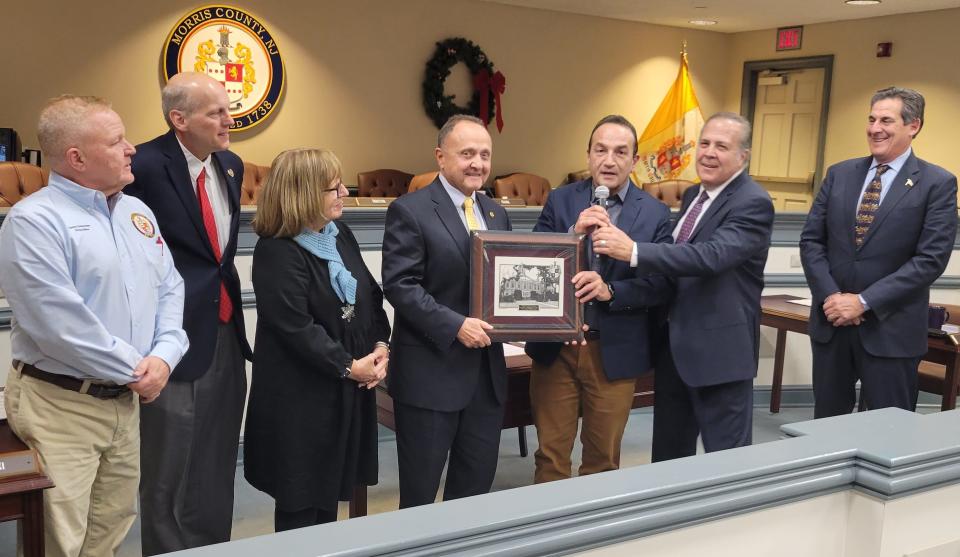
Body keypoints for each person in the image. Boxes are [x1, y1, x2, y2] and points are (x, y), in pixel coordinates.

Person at [0, 95, 188, 557]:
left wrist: (163, 357)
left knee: (111, 528)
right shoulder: (34, 221)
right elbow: (60, 327)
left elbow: (170, 288)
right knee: (60, 539)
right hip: (61, 403)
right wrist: (141, 371)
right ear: (76, 158)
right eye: (117, 141)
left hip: (124, 402)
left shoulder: (136, 212)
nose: (132, 149)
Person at [593, 112, 774, 461]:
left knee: (728, 462)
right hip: (675, 350)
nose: (708, 153)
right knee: (669, 456)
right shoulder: (695, 195)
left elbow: (710, 257)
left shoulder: (752, 202)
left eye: (721, 146)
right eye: (704, 143)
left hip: (719, 355)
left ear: (743, 156)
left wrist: (632, 250)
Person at [124, 72, 253, 554]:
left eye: (227, 108)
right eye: (215, 112)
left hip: (224, 331)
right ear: (179, 119)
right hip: (169, 340)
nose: (228, 119)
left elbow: (218, 257)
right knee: (168, 468)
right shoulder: (144, 166)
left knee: (218, 459)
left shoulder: (231, 164)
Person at [243, 148, 390, 531]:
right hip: (301, 401)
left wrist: (380, 347)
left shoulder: (339, 235)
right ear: (303, 192)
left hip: (345, 390)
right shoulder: (277, 249)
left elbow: (369, 296)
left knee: (330, 499)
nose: (344, 191)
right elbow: (294, 326)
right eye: (333, 187)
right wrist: (348, 366)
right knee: (301, 504)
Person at [524, 115, 673, 483]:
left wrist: (612, 290)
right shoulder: (560, 200)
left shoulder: (655, 213)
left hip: (614, 351)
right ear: (588, 156)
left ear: (634, 160)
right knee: (550, 458)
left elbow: (664, 283)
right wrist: (572, 234)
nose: (610, 160)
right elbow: (530, 259)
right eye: (601, 150)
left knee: (603, 461)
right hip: (556, 349)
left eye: (621, 152)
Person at [800, 87, 958, 417]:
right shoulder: (839, 174)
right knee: (826, 427)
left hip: (891, 330)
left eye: (886, 120)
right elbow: (812, 241)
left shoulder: (937, 183)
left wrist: (862, 301)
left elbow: (930, 260)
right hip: (833, 325)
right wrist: (832, 298)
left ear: (913, 126)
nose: (875, 128)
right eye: (871, 119)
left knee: (888, 432)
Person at [382, 114, 512, 508]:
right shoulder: (411, 210)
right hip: (431, 379)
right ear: (441, 157)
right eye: (467, 153)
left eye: (485, 155)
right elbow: (400, 285)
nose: (478, 163)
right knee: (420, 497)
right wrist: (456, 326)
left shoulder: (496, 213)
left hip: (485, 382)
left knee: (474, 493)